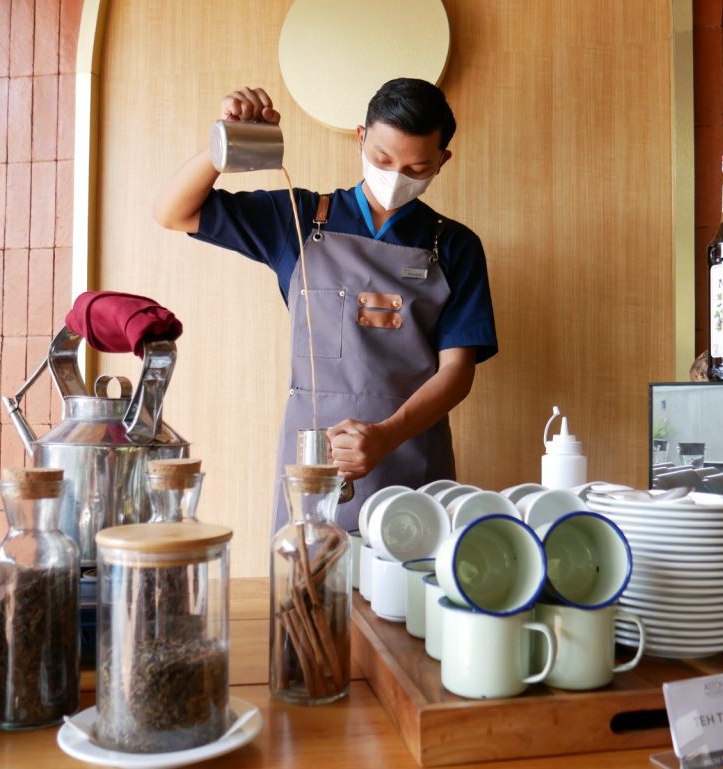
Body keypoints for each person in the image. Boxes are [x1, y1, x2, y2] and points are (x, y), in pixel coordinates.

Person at [153, 78, 497, 531]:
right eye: (382, 158)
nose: (395, 177)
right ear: (361, 137)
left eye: (417, 169)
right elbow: (172, 212)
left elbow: (457, 372)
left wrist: (387, 435)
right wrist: (225, 144)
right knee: (307, 584)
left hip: (412, 463)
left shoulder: (454, 246)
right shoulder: (297, 220)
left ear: (442, 161)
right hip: (313, 464)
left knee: (405, 591)